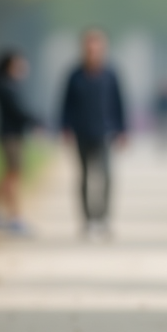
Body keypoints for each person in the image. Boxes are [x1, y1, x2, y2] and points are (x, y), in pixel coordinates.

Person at [60, 30, 127, 237]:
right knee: (84, 176)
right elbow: (65, 104)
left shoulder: (111, 74)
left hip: (105, 132)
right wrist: (65, 127)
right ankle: (87, 220)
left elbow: (119, 102)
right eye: (89, 47)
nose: (93, 51)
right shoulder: (74, 75)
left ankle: (103, 218)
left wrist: (122, 130)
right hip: (81, 131)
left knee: (106, 176)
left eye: (97, 47)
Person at [0, 50, 41, 233]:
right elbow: (19, 110)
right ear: (9, 66)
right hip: (10, 136)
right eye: (19, 64)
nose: (23, 68)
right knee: (13, 176)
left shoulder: (9, 85)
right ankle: (14, 217)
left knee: (9, 174)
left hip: (12, 135)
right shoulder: (6, 86)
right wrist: (37, 121)